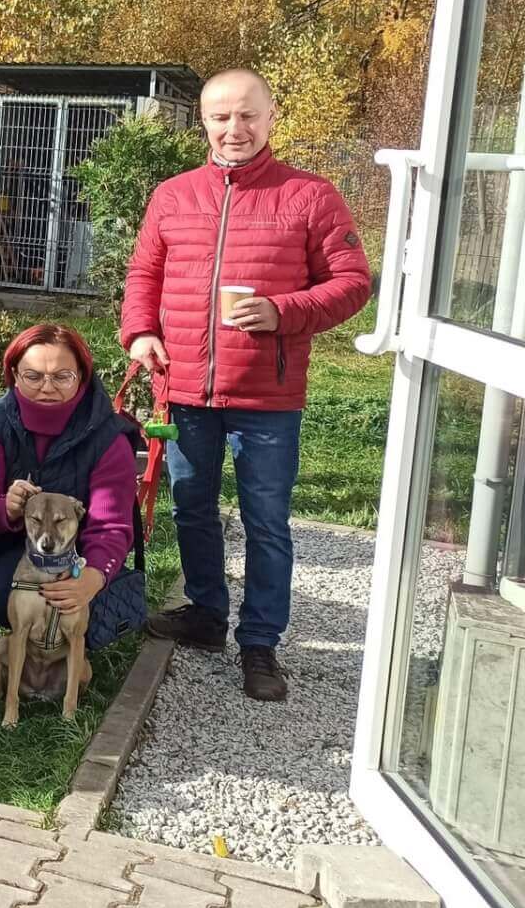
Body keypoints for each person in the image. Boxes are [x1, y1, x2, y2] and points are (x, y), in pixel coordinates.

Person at [123, 68, 370, 703]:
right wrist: (140, 334)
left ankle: (260, 642)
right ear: (202, 121)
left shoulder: (310, 196)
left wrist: (283, 311)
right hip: (185, 390)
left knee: (265, 522)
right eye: (221, 116)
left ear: (272, 115)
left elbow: (352, 283)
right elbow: (144, 272)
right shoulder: (174, 195)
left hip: (268, 397)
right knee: (191, 508)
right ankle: (206, 615)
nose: (235, 129)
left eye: (248, 115)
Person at [0, 324, 137, 687]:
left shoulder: (108, 438)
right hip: (4, 537)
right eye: (33, 375)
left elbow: (111, 525)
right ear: (14, 375)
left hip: (67, 554)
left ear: (83, 376)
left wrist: (93, 576)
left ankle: (53, 638)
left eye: (62, 376)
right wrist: (5, 507)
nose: (47, 387)